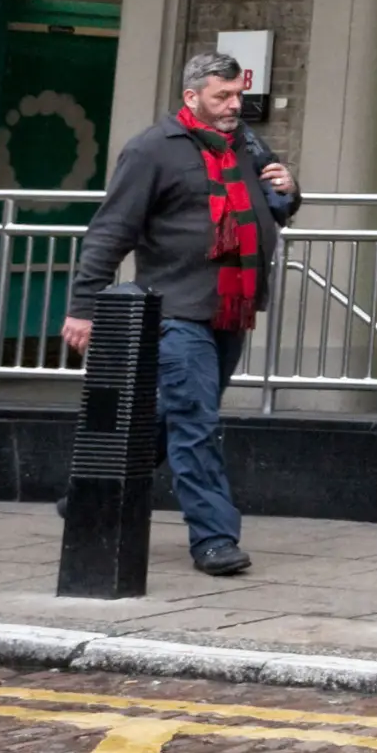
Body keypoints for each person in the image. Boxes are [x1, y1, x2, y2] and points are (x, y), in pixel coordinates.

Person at [64, 52, 300, 577]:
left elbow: (272, 204)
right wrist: (84, 307)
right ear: (192, 97)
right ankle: (214, 538)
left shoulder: (246, 144)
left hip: (231, 307)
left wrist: (289, 188)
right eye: (223, 96)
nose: (234, 105)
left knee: (174, 416)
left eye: (238, 94)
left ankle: (92, 492)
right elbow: (111, 229)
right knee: (195, 421)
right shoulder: (153, 149)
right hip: (174, 308)